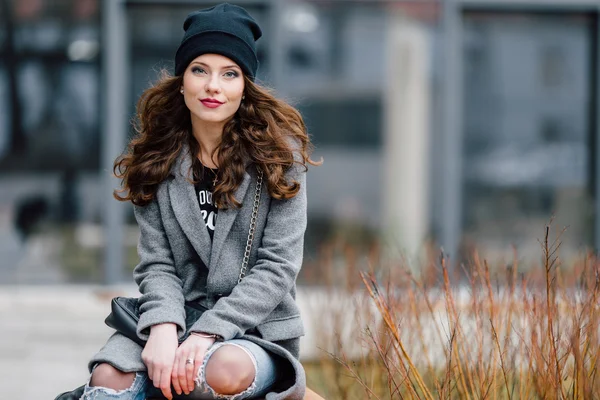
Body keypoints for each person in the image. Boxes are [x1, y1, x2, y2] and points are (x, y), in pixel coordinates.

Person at [71, 3, 320, 400]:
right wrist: (164, 328)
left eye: (229, 73)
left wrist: (209, 332)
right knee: (107, 379)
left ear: (245, 85)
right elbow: (157, 263)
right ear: (182, 80)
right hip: (176, 313)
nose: (213, 86)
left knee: (218, 372)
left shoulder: (277, 160)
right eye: (199, 70)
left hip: (252, 329)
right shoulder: (157, 160)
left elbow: (278, 267)